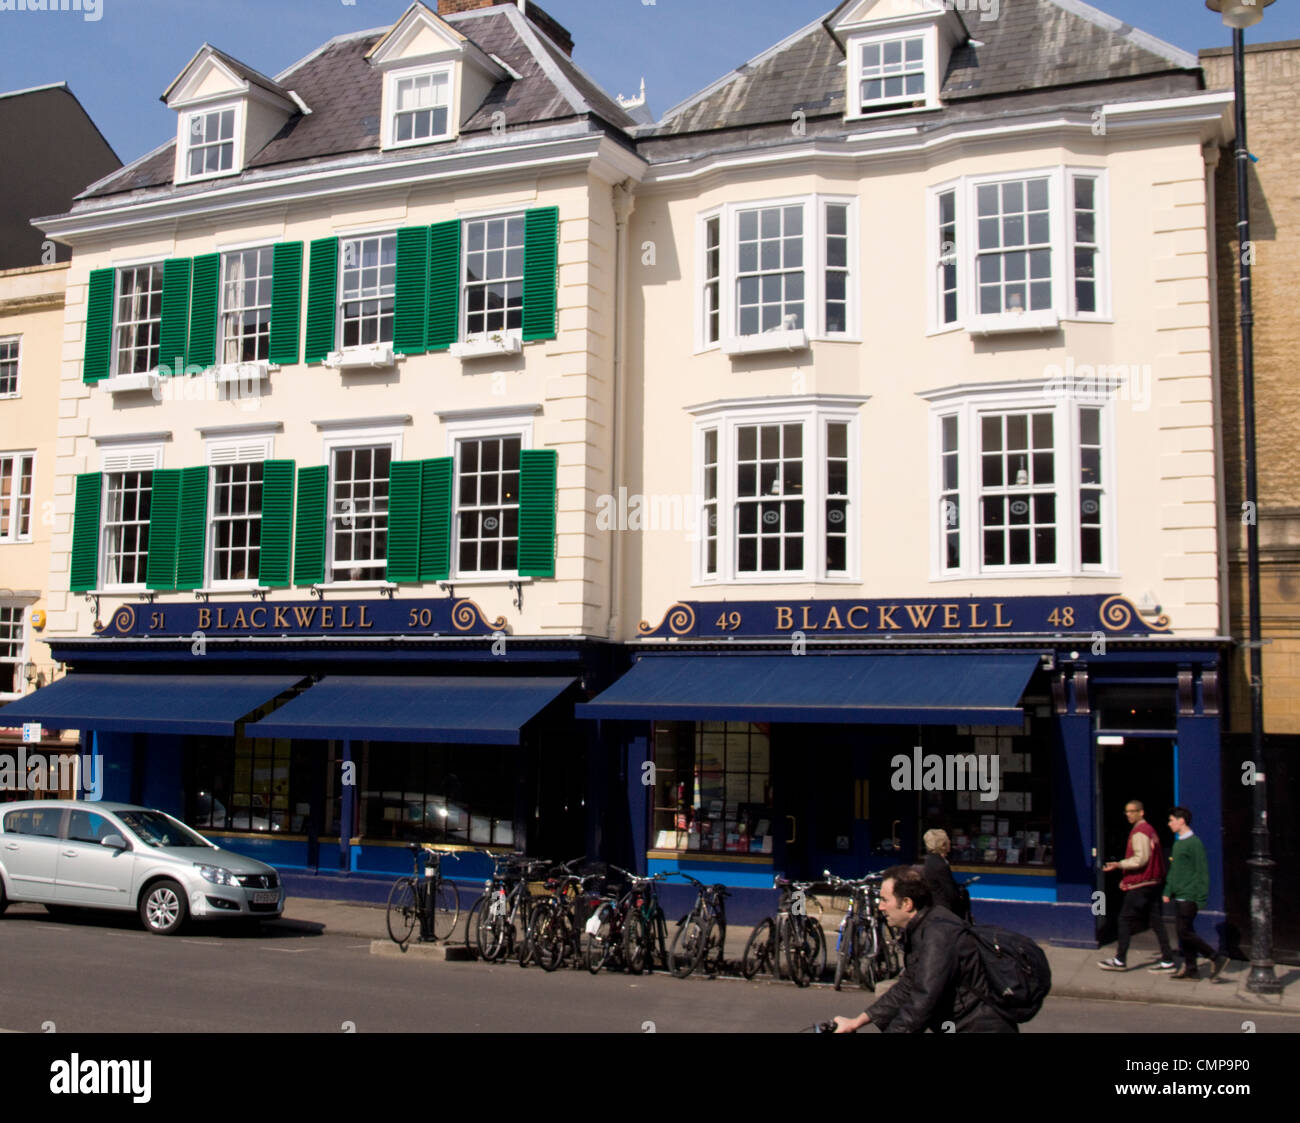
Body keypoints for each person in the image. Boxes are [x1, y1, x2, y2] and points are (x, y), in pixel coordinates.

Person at [832, 865, 1016, 1033]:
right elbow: (908, 986)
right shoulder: (923, 927)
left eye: (884, 900)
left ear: (906, 903)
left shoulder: (938, 935)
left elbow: (923, 999)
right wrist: (857, 1022)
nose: (880, 907)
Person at [1097, 799, 1175, 972]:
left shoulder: (1140, 831)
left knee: (1124, 919)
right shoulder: (1150, 830)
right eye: (1127, 811)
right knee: (1156, 921)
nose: (1128, 814)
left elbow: (1141, 859)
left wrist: (1119, 865)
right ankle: (1168, 959)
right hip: (1152, 883)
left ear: (1141, 812)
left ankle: (1120, 959)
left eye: (1132, 811)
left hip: (1141, 883)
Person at [1163, 806, 1228, 981]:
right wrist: (1168, 890)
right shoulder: (1179, 843)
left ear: (1181, 820)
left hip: (1189, 896)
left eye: (1171, 820)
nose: (1169, 824)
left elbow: (1202, 872)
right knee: (1184, 932)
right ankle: (1191, 969)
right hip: (1179, 895)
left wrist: (1200, 898)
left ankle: (1215, 957)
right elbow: (1175, 870)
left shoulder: (1194, 843)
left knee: (1184, 932)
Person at [921, 828, 966, 919]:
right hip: (944, 911)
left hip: (935, 908)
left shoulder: (930, 860)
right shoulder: (940, 865)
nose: (950, 842)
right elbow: (951, 893)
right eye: (948, 840)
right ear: (943, 844)